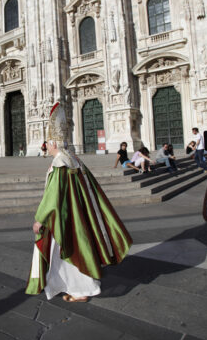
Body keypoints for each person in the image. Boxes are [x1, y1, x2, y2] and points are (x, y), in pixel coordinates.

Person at [26, 103, 132, 302]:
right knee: (66, 254)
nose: (46, 147)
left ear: (54, 144)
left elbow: (53, 195)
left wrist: (40, 219)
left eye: (47, 144)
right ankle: (72, 287)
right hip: (74, 213)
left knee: (69, 253)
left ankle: (82, 290)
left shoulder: (60, 163)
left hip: (63, 216)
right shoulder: (73, 159)